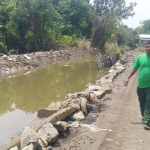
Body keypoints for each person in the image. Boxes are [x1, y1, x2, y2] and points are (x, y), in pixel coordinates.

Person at [124, 43, 150, 130]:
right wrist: (127, 78)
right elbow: (134, 69)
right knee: (142, 102)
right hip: (141, 85)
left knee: (148, 104)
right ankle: (143, 114)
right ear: (145, 48)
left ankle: (147, 123)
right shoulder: (140, 58)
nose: (149, 48)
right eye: (147, 46)